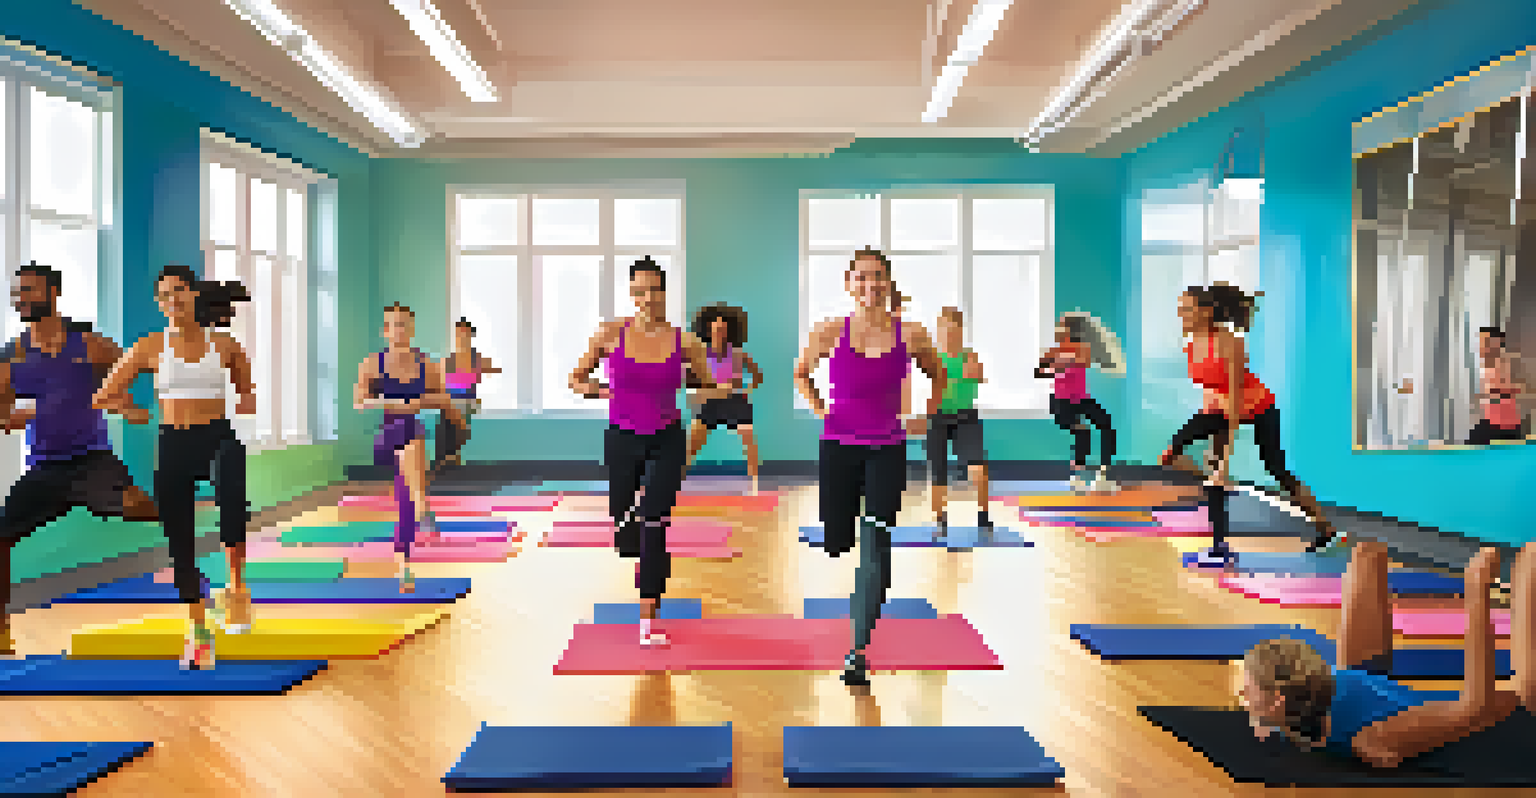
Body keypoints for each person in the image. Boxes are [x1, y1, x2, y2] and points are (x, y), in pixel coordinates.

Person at [794, 247, 946, 688]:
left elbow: (938, 377)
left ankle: (857, 650)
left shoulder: (912, 335)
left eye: (877, 277)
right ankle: (839, 536)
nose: (870, 286)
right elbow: (802, 373)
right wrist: (820, 409)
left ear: (888, 282)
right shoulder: (828, 331)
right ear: (849, 284)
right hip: (838, 446)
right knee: (838, 540)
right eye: (861, 278)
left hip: (888, 449)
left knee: (876, 540)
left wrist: (926, 416)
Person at [1238, 542, 1532, 769]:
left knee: (1366, 554)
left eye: (1247, 689)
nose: (1240, 694)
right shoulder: (1371, 738)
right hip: (1493, 718)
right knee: (1528, 689)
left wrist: (1266, 718)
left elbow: (1473, 708)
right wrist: (1478, 590)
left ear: (1280, 699)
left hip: (1378, 694)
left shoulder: (1312, 700)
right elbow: (1473, 709)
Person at [95, 264, 255, 670]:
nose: (173, 300)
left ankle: (236, 590)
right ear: (158, 303)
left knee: (233, 507)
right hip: (173, 442)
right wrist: (128, 408)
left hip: (218, 437)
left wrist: (248, 400)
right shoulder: (150, 347)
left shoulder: (226, 345)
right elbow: (104, 396)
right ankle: (198, 627)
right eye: (165, 295)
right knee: (178, 535)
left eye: (180, 291)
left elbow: (247, 394)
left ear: (194, 294)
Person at [0, 262, 159, 658]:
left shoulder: (89, 344)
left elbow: (129, 368)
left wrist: (120, 400)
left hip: (92, 461)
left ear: (53, 293)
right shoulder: (11, 355)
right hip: (44, 468)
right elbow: (2, 412)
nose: (21, 299)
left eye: (30, 291)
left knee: (144, 508)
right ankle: (1, 630)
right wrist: (11, 417)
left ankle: (188, 526)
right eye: (17, 292)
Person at [569, 257, 728, 648]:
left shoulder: (684, 341)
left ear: (664, 292)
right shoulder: (609, 334)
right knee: (626, 530)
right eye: (640, 290)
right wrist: (600, 391)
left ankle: (648, 616)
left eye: (655, 290)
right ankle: (633, 542)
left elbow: (702, 386)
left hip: (667, 439)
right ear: (631, 292)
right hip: (622, 438)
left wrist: (723, 391)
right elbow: (576, 379)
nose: (647, 298)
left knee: (655, 521)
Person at [1159, 284, 1336, 565]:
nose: (1182, 314)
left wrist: (1225, 458)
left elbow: (1235, 396)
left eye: (1188, 308)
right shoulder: (1192, 345)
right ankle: (1219, 539)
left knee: (1276, 468)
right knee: (1172, 453)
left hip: (1257, 406)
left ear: (1206, 312)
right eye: (1181, 308)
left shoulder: (1229, 341)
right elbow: (1211, 392)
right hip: (1220, 409)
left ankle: (1326, 530)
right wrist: (1214, 457)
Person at [355, 303, 448, 594]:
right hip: (386, 439)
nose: (399, 331)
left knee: (404, 497)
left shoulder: (426, 364)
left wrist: (421, 403)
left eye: (404, 325)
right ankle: (424, 505)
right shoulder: (372, 364)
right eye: (394, 325)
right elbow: (360, 402)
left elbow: (443, 399)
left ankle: (404, 568)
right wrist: (393, 403)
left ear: (412, 329)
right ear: (385, 331)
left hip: (412, 444)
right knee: (412, 435)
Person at [925, 306, 992, 540]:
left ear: (961, 331)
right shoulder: (933, 358)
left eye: (953, 330)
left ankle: (983, 515)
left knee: (978, 469)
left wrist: (973, 373)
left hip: (966, 417)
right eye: (944, 329)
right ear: (939, 331)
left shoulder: (969, 356)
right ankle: (940, 520)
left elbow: (981, 376)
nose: (949, 334)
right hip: (938, 417)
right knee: (938, 473)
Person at [683, 303, 763, 493]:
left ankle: (755, 485)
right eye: (716, 329)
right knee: (691, 443)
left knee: (749, 439)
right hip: (710, 401)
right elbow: (690, 381)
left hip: (735, 402)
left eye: (723, 329)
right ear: (709, 331)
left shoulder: (738, 353)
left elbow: (757, 376)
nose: (720, 332)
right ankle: (673, 480)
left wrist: (746, 388)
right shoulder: (700, 353)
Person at [1037, 312, 1118, 493]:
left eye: (1063, 326)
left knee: (1107, 425)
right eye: (1059, 325)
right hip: (1061, 401)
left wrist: (1061, 363)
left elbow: (1084, 362)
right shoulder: (1054, 350)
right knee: (1082, 432)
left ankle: (1103, 473)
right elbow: (1038, 371)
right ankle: (1079, 476)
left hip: (1081, 399)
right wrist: (1052, 368)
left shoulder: (1081, 347)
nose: (1059, 329)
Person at [435, 318, 499, 471]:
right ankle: (446, 459)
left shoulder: (478, 359)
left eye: (465, 334)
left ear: (471, 336)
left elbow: (493, 371)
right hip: (450, 403)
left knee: (460, 412)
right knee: (446, 414)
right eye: (459, 335)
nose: (462, 338)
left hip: (469, 402)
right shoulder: (447, 361)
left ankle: (457, 457)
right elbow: (441, 386)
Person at [1466, 326, 1525, 445]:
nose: (1482, 346)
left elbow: (1521, 387)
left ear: (1498, 342)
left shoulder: (1509, 361)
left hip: (1505, 423)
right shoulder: (1486, 363)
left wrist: (1494, 391)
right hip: (1491, 420)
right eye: (1481, 342)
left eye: (1486, 342)